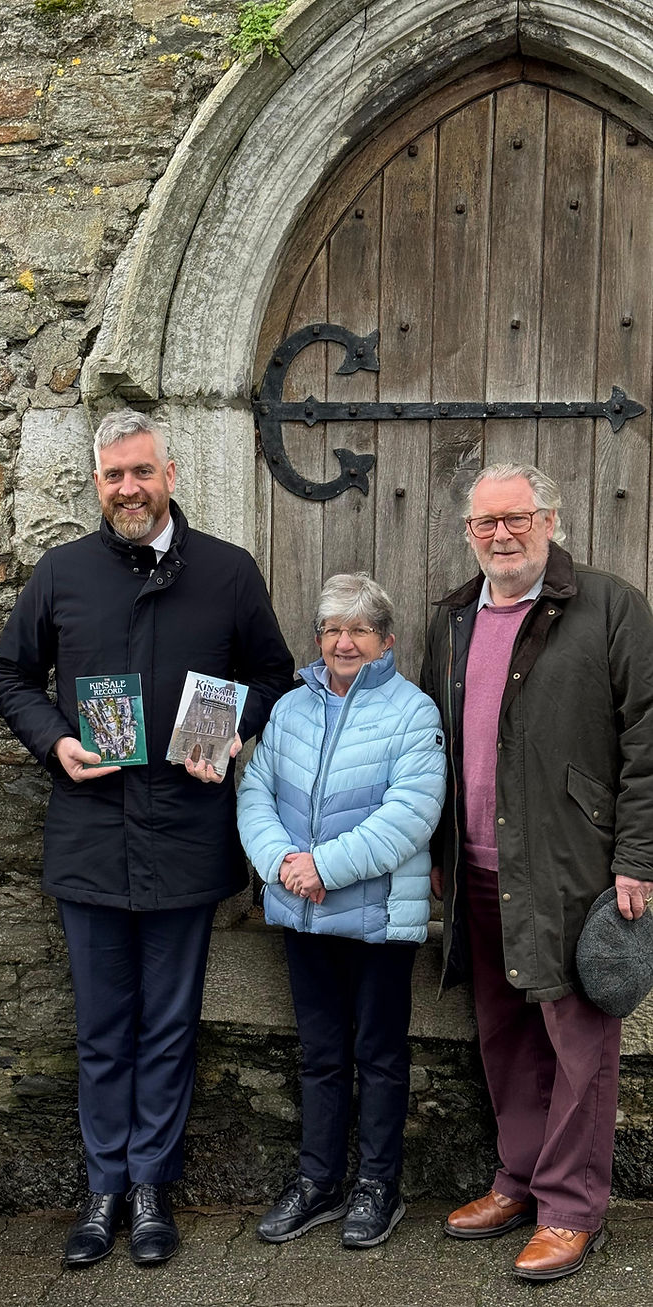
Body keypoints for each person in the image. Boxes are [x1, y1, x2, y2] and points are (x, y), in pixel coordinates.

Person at [0, 408, 294, 1268]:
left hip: (187, 835)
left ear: (171, 474)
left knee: (167, 1024)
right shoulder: (64, 572)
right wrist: (54, 739)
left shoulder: (229, 573)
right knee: (100, 1025)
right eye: (114, 475)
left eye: (143, 472)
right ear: (98, 483)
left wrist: (234, 732)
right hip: (89, 837)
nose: (130, 487)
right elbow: (8, 672)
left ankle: (153, 1186)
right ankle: (102, 1189)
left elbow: (272, 673)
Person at [420, 463, 653, 1281]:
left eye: (517, 517)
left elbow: (647, 739)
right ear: (469, 534)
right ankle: (518, 1179)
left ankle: (570, 1206)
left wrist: (637, 858)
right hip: (478, 866)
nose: (502, 534)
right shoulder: (452, 616)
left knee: (578, 1042)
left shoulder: (609, 604)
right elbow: (433, 748)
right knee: (506, 1035)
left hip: (572, 867)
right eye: (486, 523)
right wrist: (439, 848)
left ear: (549, 518)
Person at [237, 574, 445, 1250]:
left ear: (385, 639)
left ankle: (378, 1186)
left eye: (358, 629)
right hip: (304, 914)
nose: (343, 641)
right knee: (320, 1055)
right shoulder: (292, 709)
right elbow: (255, 792)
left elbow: (411, 814)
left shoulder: (413, 712)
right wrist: (285, 865)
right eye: (332, 629)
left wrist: (324, 865)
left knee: (379, 1054)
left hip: (378, 918)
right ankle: (319, 1181)